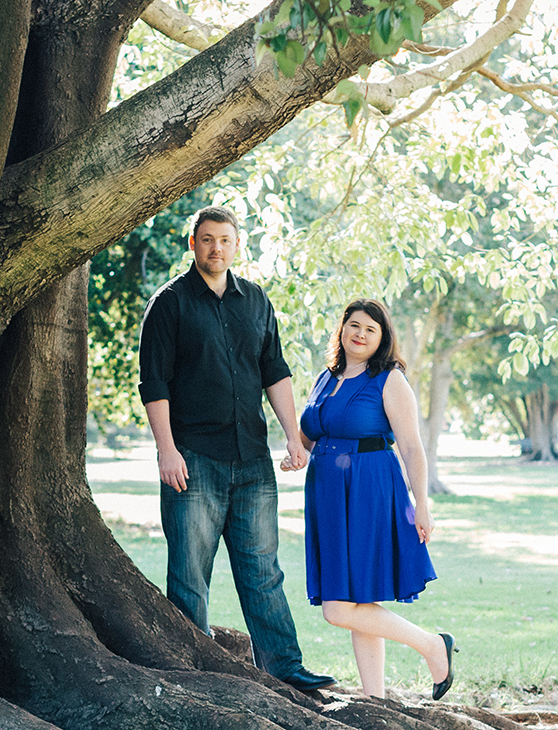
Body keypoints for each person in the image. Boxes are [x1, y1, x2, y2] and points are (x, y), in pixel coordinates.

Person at [138, 207, 336, 692]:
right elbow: (154, 382)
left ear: (237, 245)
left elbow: (276, 372)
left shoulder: (256, 301)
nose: (216, 248)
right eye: (207, 240)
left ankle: (285, 668)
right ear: (192, 244)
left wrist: (292, 436)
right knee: (189, 574)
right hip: (193, 458)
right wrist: (166, 449)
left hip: (252, 459)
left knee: (263, 570)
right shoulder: (170, 304)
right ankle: (195, 668)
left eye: (225, 240)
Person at [298, 299, 455, 700]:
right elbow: (311, 432)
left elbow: (412, 448)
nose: (360, 334)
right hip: (328, 495)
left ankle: (432, 645)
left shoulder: (388, 379)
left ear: (382, 337)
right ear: (342, 330)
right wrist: (294, 451)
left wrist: (422, 503)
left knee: (340, 607)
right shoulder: (325, 377)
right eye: (353, 325)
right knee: (356, 600)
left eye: (370, 328)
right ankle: (375, 700)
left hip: (369, 490)